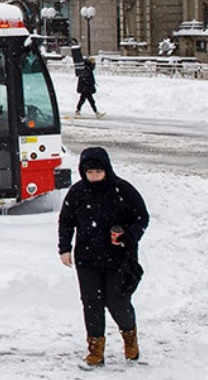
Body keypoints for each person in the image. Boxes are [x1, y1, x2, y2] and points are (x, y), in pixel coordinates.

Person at [58, 147, 150, 368]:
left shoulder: (122, 190)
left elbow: (142, 217)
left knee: (116, 301)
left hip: (118, 258)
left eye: (99, 172)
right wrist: (64, 248)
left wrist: (129, 236)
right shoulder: (78, 192)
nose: (95, 177)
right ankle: (95, 350)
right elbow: (66, 221)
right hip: (87, 258)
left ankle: (129, 336)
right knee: (91, 303)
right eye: (90, 173)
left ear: (107, 169)